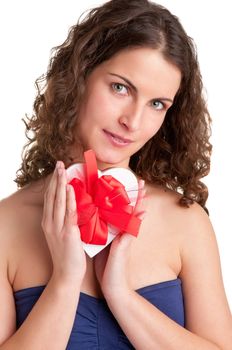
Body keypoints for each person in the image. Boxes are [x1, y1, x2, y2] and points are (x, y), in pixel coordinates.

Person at [0, 0, 231, 348]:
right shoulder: (6, 225)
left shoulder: (186, 222)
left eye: (157, 104)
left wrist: (120, 293)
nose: (133, 122)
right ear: (78, 76)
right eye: (120, 88)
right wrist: (65, 281)